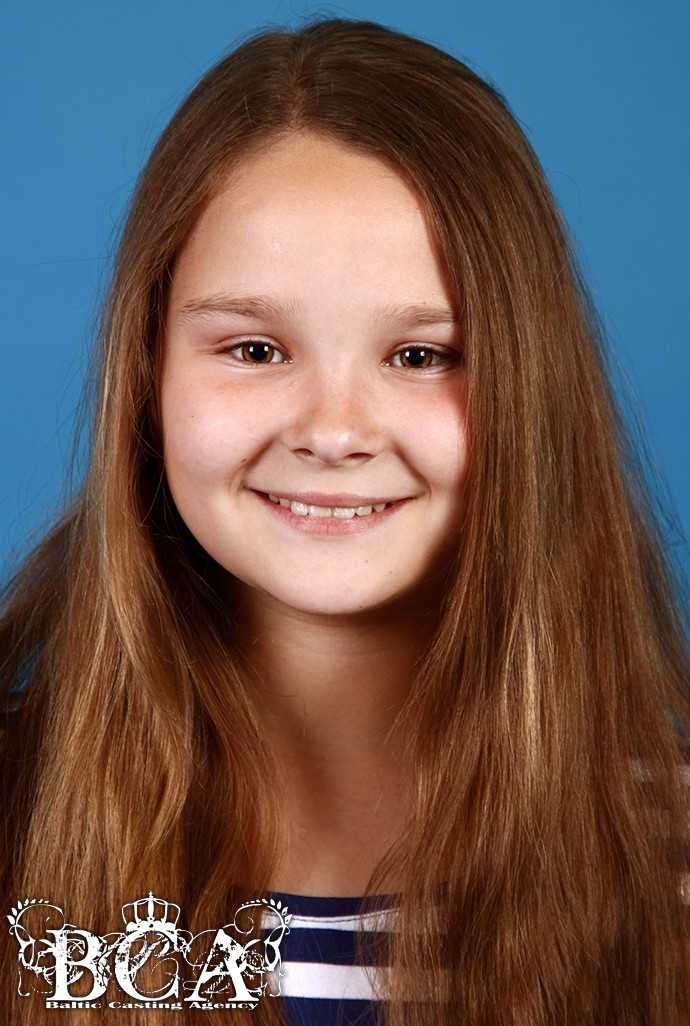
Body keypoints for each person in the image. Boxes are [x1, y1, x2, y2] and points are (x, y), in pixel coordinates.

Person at [1, 18, 688, 1026]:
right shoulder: (20, 813)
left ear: (530, 387)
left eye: (420, 357)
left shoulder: (665, 867)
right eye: (255, 350)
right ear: (145, 373)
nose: (332, 432)